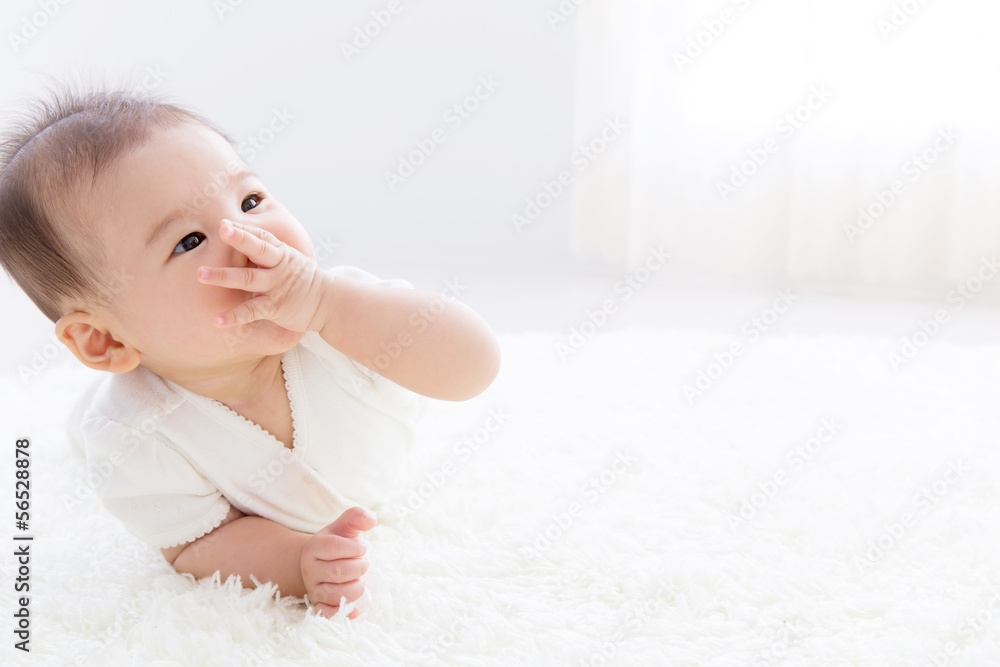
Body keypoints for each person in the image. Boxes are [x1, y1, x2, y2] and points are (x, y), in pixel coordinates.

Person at [0, 87, 501, 619]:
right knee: (86, 429)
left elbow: (476, 365)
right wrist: (298, 560)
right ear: (106, 340)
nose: (249, 239)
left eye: (250, 201)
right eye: (189, 241)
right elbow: (196, 544)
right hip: (118, 425)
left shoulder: (346, 315)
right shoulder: (136, 436)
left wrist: (329, 305)